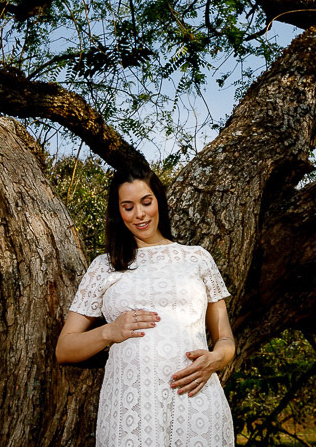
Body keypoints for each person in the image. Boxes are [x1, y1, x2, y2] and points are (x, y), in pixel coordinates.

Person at [56, 166, 236, 446]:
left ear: (158, 202)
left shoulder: (198, 259)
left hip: (197, 405)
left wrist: (217, 359)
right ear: (118, 213)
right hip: (131, 412)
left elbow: (225, 338)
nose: (139, 214)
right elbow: (64, 349)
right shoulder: (104, 266)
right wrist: (110, 331)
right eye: (128, 207)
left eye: (146, 202)